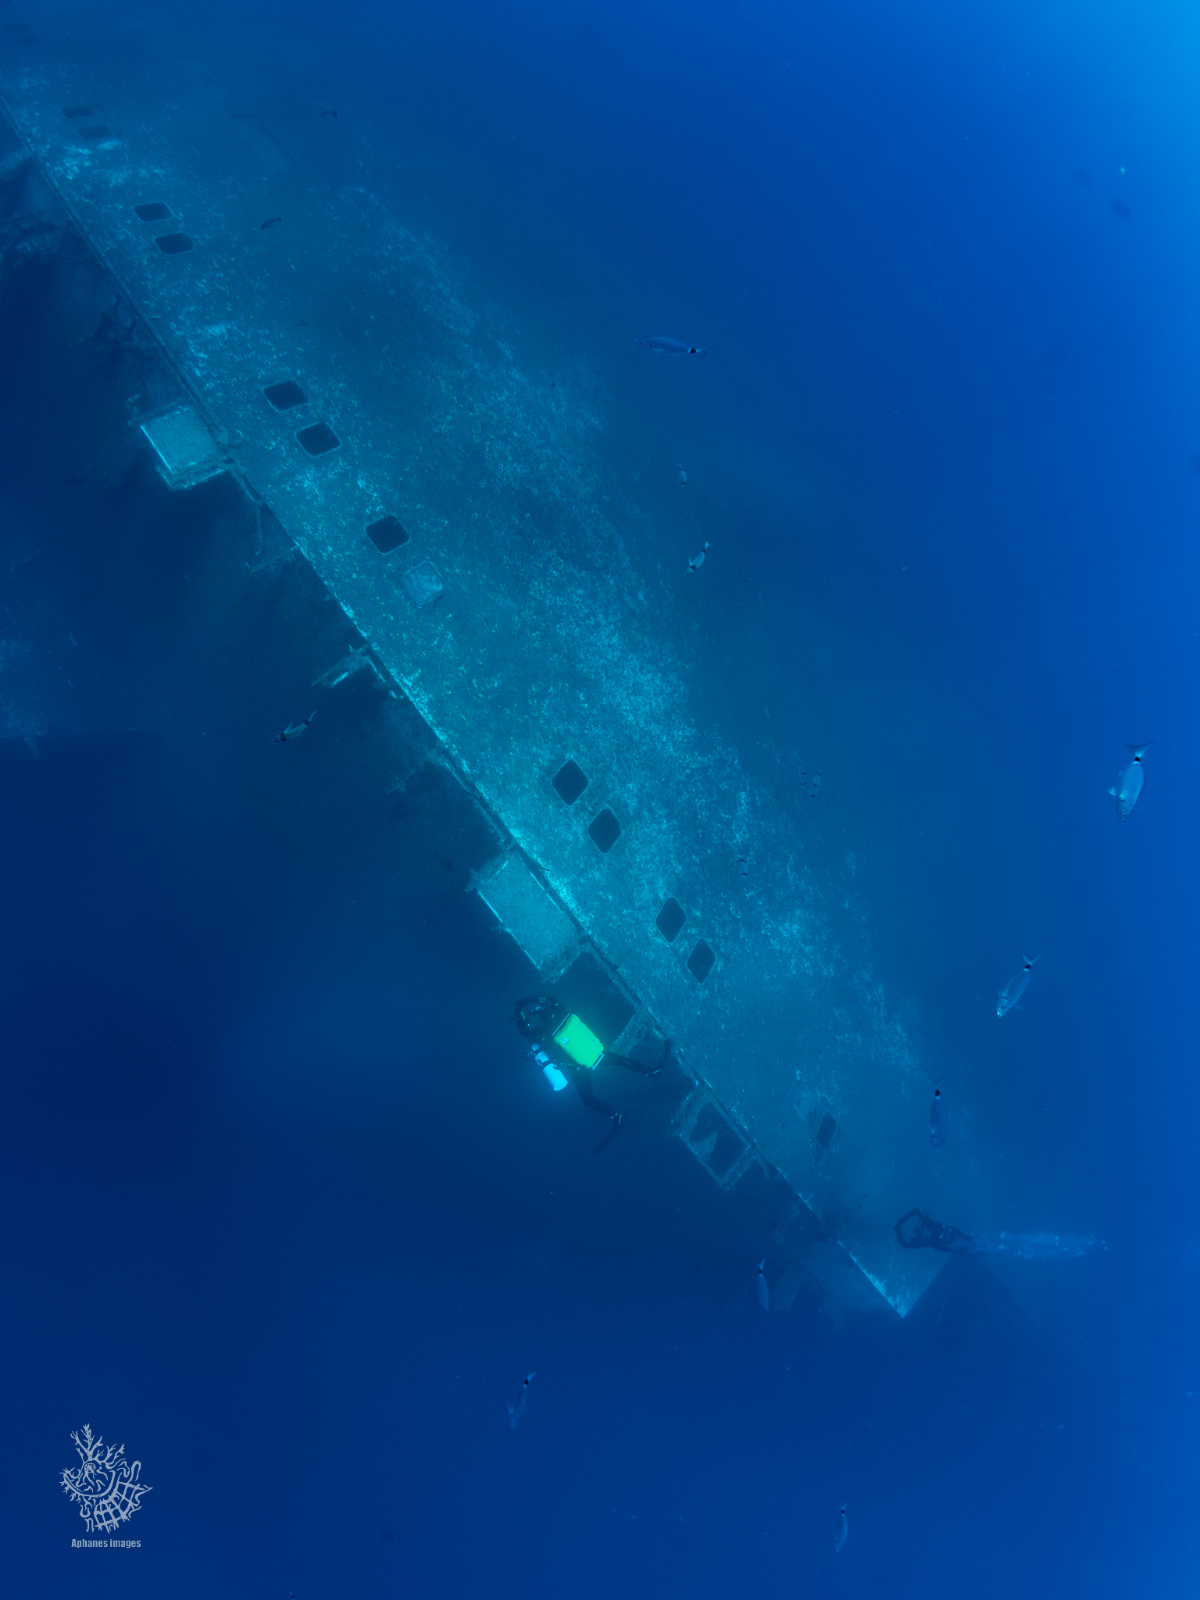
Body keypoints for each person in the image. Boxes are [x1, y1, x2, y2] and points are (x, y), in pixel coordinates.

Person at [514, 995, 670, 1149]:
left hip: (578, 1066)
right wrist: (529, 1000)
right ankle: (651, 1071)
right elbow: (548, 998)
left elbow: (525, 1032)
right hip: (594, 1053)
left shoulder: (544, 1034)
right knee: (620, 1061)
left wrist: (519, 1012)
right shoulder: (561, 1010)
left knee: (588, 1099)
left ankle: (616, 1117)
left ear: (543, 1021)